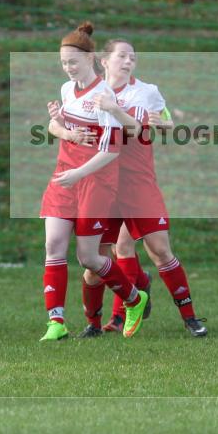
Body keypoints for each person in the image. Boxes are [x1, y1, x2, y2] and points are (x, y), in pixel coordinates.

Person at [79, 39, 208, 337]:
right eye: (122, 56)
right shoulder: (90, 92)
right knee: (100, 257)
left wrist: (163, 125)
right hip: (103, 183)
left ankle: (190, 318)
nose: (128, 61)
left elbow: (166, 122)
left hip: (138, 184)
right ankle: (96, 324)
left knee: (160, 250)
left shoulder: (146, 92)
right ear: (104, 61)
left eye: (132, 58)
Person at [38, 22, 148, 341]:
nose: (68, 68)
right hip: (65, 176)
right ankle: (56, 322)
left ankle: (133, 298)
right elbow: (52, 127)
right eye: (63, 63)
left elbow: (111, 151)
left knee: (89, 257)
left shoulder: (104, 96)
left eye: (73, 61)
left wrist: (79, 173)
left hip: (96, 182)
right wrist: (64, 127)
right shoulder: (65, 89)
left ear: (90, 59)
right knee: (53, 246)